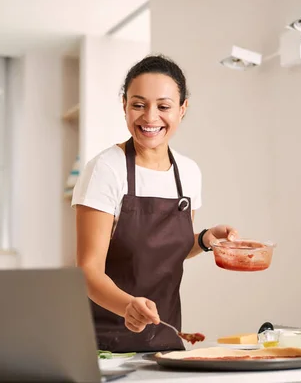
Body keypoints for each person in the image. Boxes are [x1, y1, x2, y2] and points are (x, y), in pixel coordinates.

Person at [72, 54, 238, 353]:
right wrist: (127, 306)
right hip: (105, 344)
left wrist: (202, 240)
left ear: (182, 109)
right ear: (124, 105)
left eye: (163, 106)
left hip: (165, 342)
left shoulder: (188, 172)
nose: (150, 117)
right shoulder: (106, 169)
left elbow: (160, 253)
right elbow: (88, 269)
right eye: (138, 104)